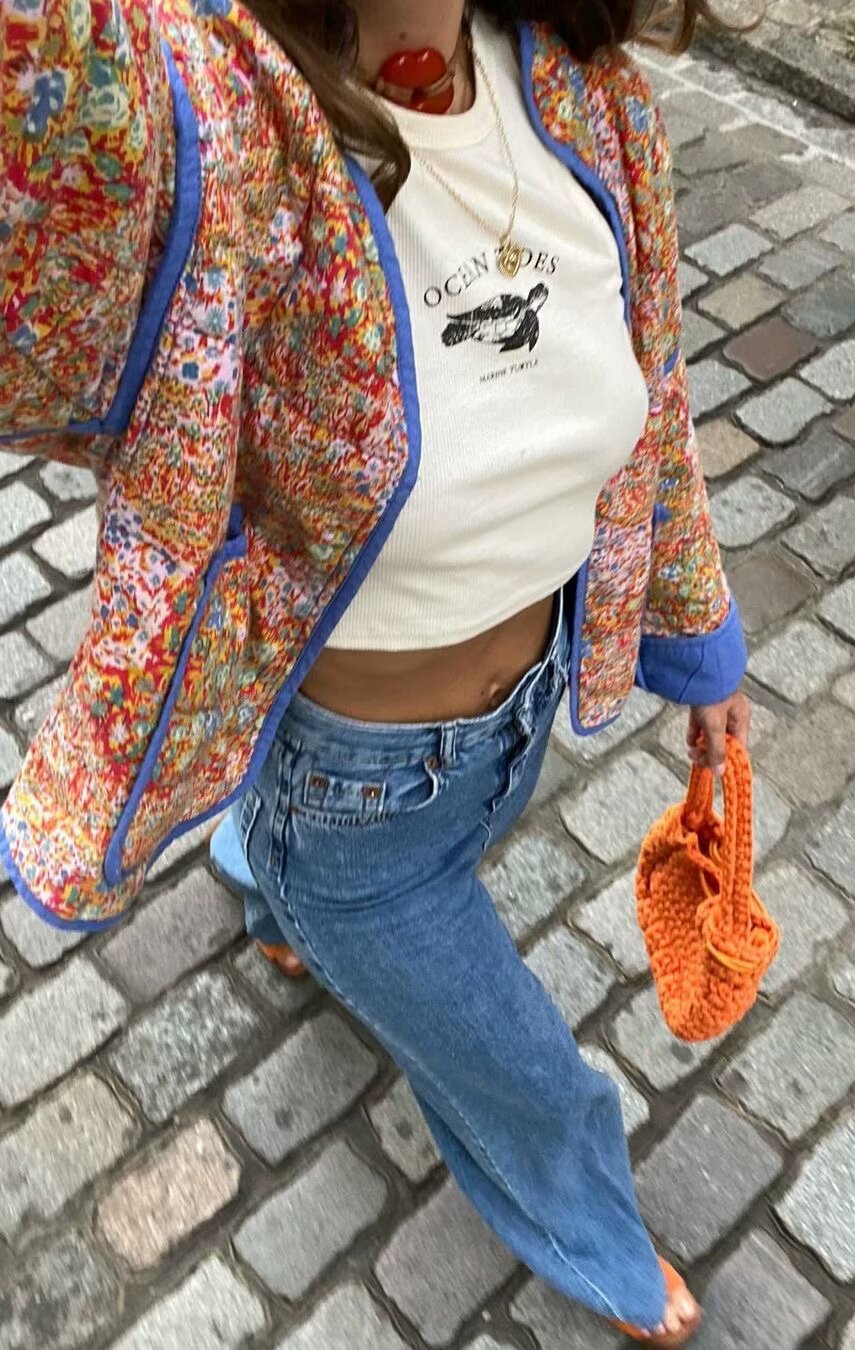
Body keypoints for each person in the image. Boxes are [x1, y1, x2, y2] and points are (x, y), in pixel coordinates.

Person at [1, 0, 750, 1341]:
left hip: (519, 722)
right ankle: (587, 1218)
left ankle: (262, 877)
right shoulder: (214, 115)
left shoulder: (586, 96)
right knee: (519, 1062)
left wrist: (702, 646)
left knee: (337, 862)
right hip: (356, 807)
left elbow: (660, 401)